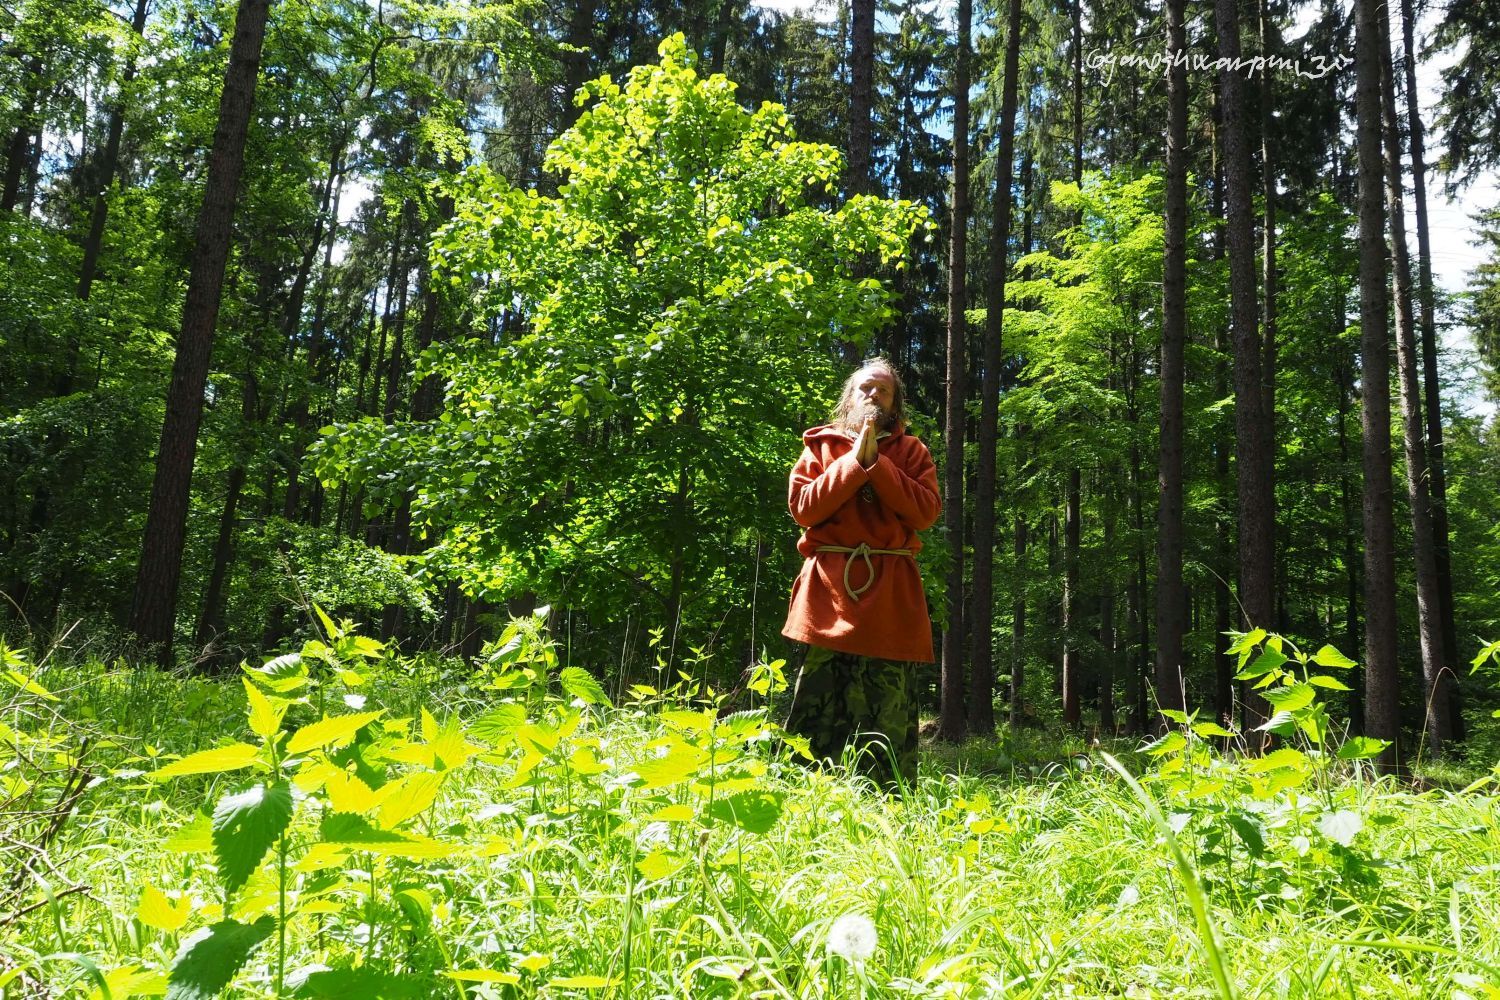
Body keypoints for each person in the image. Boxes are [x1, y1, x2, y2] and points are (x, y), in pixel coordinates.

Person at [781, 357, 940, 789]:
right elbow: (804, 508)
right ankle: (805, 796)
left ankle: (887, 797)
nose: (872, 395)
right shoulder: (820, 447)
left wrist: (878, 465)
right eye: (864, 388)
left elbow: (925, 513)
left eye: (883, 390)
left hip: (890, 594)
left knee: (888, 703)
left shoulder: (912, 452)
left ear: (895, 403)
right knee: (818, 702)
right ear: (848, 398)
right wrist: (852, 463)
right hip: (829, 592)